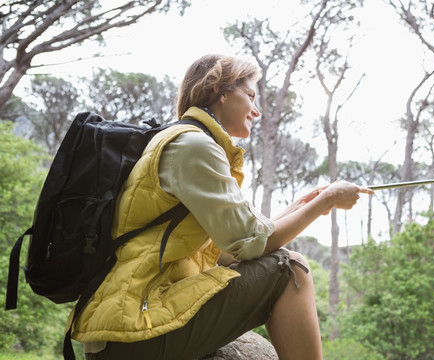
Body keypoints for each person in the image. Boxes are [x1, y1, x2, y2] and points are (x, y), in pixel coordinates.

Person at [71, 54, 374, 360]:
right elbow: (250, 245)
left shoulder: (183, 141)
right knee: (289, 267)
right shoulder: (194, 146)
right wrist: (327, 200)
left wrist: (301, 207)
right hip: (134, 327)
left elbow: (227, 252)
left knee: (277, 262)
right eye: (250, 96)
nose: (256, 111)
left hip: (125, 327)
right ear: (220, 90)